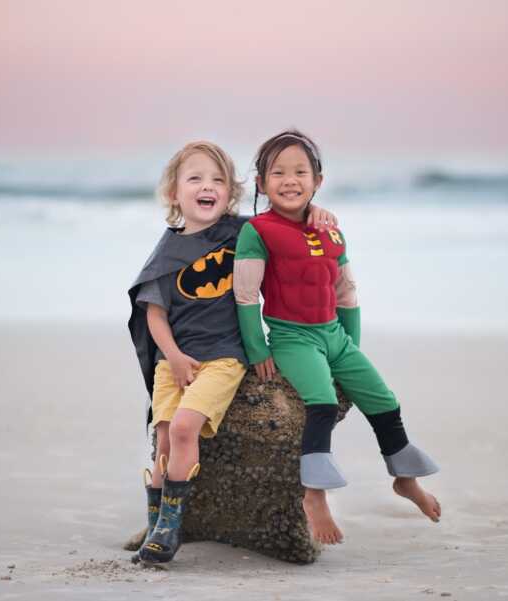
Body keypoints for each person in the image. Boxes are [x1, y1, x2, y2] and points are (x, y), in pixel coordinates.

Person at [127, 140, 337, 563]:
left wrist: (315, 212)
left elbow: (286, 221)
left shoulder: (241, 231)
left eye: (218, 180)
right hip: (174, 360)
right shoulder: (167, 253)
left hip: (224, 357)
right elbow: (154, 313)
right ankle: (160, 522)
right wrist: (173, 356)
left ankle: (169, 533)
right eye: (196, 178)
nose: (208, 186)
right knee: (164, 435)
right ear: (174, 193)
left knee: (185, 427)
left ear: (231, 193)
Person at [233, 130, 441, 545]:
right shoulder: (257, 231)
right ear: (261, 184)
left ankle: (404, 479)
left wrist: (351, 348)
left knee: (384, 401)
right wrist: (258, 349)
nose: (290, 180)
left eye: (300, 172)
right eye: (278, 173)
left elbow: (346, 291)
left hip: (335, 336)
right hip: (293, 338)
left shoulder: (331, 230)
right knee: (323, 402)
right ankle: (314, 495)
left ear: (317, 181)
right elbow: (245, 294)